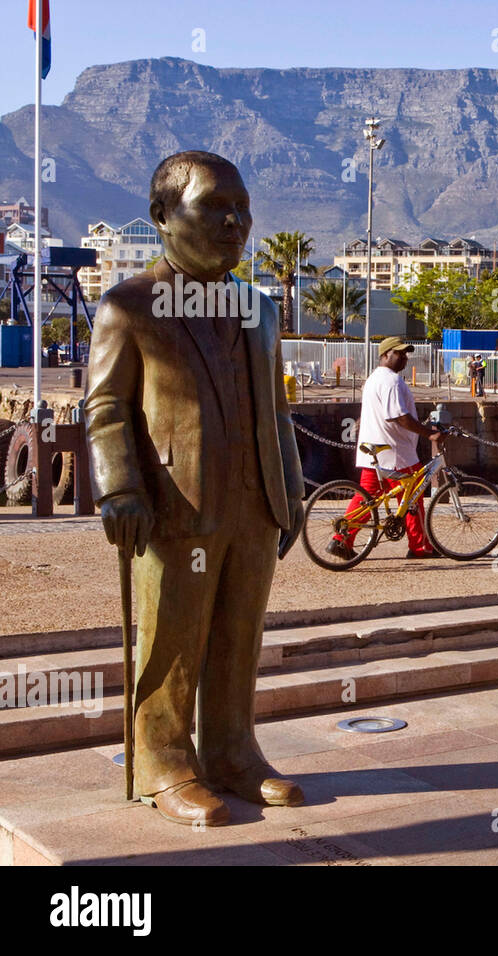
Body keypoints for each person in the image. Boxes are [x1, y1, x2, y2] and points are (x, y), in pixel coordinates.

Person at [85, 150, 305, 826]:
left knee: (241, 634)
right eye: (215, 206)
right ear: (161, 216)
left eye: (242, 208)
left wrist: (289, 491)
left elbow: (277, 410)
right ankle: (163, 762)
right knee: (172, 638)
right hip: (176, 506)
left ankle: (234, 751)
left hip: (254, 502)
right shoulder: (130, 306)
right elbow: (105, 408)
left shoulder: (259, 309)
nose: (235, 221)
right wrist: (120, 488)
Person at [329, 336, 444, 560]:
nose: (404, 358)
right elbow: (398, 417)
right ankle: (420, 547)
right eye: (399, 353)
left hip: (373, 449)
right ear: (385, 355)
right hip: (395, 452)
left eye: (405, 354)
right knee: (412, 498)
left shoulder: (373, 379)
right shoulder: (391, 381)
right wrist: (429, 432)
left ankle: (341, 540)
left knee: (366, 499)